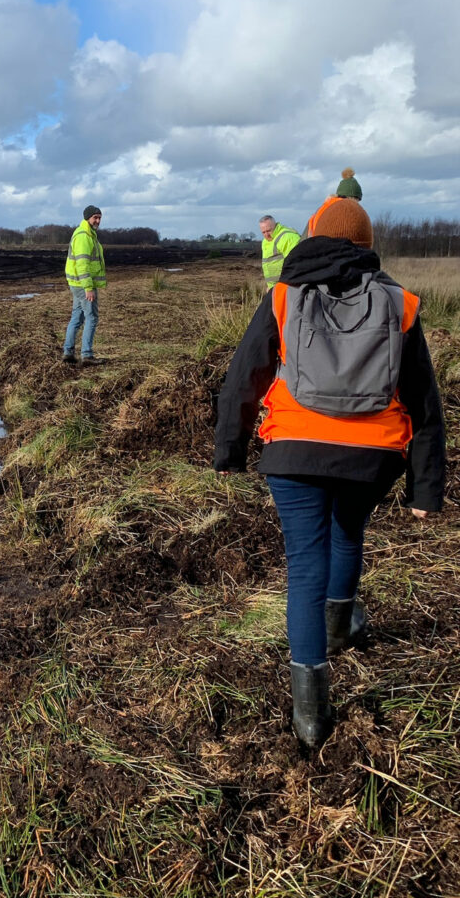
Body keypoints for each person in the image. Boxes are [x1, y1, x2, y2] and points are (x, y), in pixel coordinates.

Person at [214, 193, 445, 749]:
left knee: (304, 569)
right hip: (374, 456)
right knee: (349, 532)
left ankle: (311, 718)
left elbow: (244, 376)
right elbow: (424, 402)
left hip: (294, 451)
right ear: (367, 245)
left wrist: (231, 449)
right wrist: (426, 487)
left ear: (314, 235)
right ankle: (340, 629)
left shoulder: (284, 298)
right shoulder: (401, 304)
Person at [63, 205, 106, 365]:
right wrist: (88, 288)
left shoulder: (88, 234)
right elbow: (82, 265)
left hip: (77, 283)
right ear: (87, 217)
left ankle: (68, 353)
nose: (98, 220)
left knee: (77, 316)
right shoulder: (84, 236)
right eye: (95, 217)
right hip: (83, 285)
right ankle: (86, 355)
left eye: (100, 217)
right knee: (92, 318)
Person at [259, 214, 301, 290]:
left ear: (275, 226)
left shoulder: (288, 237)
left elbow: (295, 264)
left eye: (268, 230)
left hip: (288, 287)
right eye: (263, 232)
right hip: (274, 288)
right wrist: (270, 286)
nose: (266, 235)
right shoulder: (265, 242)